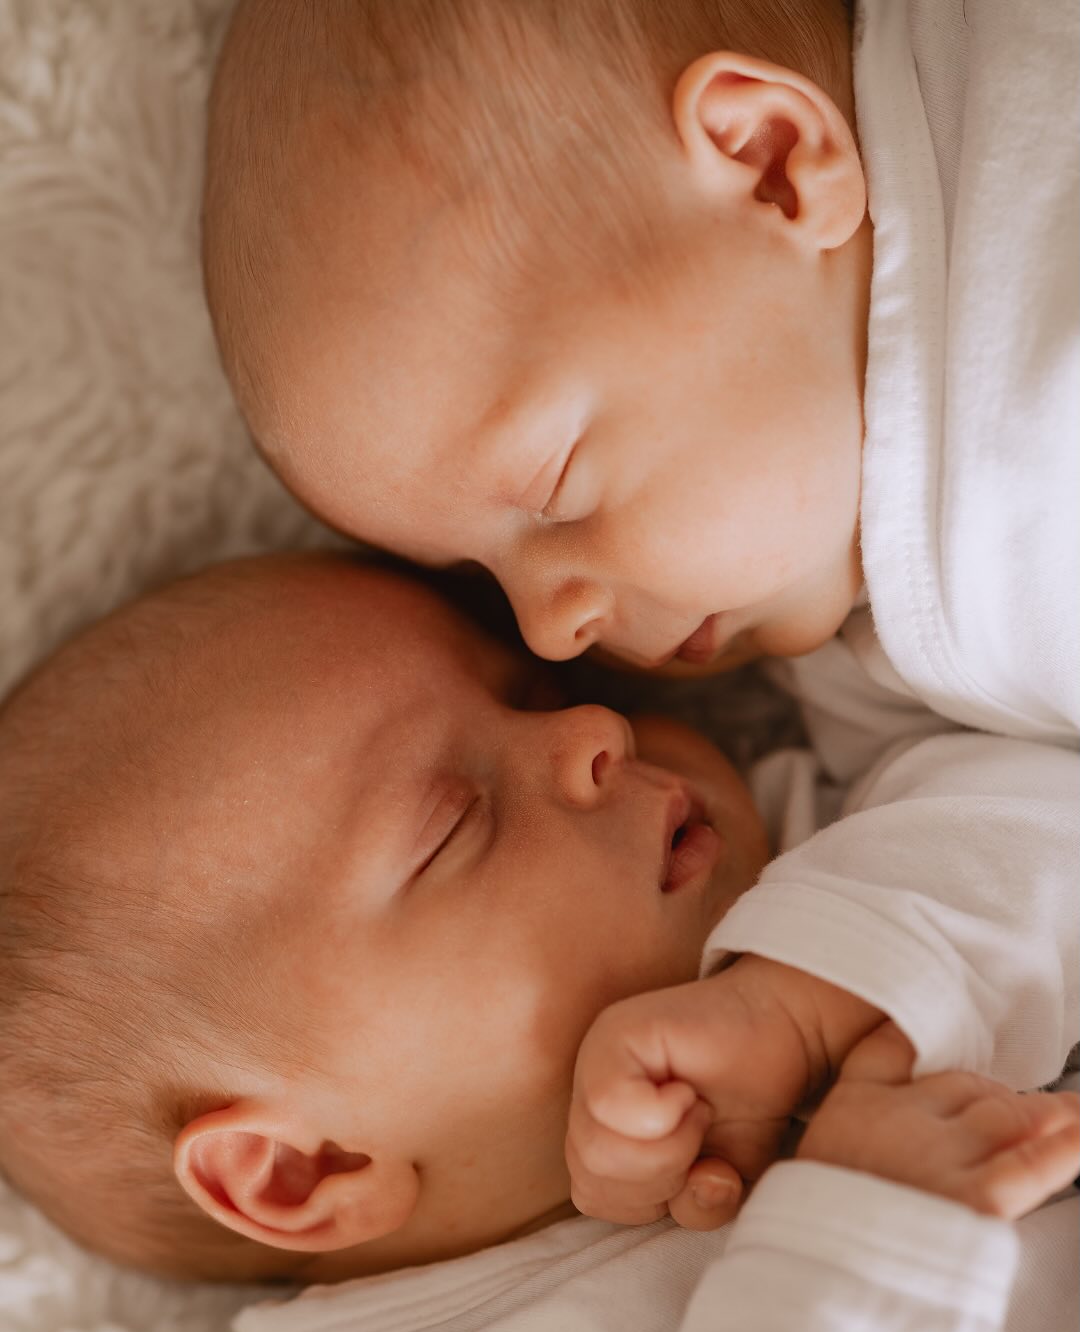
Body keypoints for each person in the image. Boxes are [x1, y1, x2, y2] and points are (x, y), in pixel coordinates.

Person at [199, 0, 1080, 1223]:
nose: (552, 632)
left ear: (771, 166)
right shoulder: (865, 661)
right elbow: (1019, 833)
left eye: (554, 489)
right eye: (486, 577)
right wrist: (801, 1002)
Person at [0, 552, 1076, 1332]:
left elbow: (1035, 787)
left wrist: (835, 972)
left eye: (533, 694)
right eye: (454, 825)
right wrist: (865, 1251)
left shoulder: (823, 849)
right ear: (308, 1167)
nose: (592, 730)